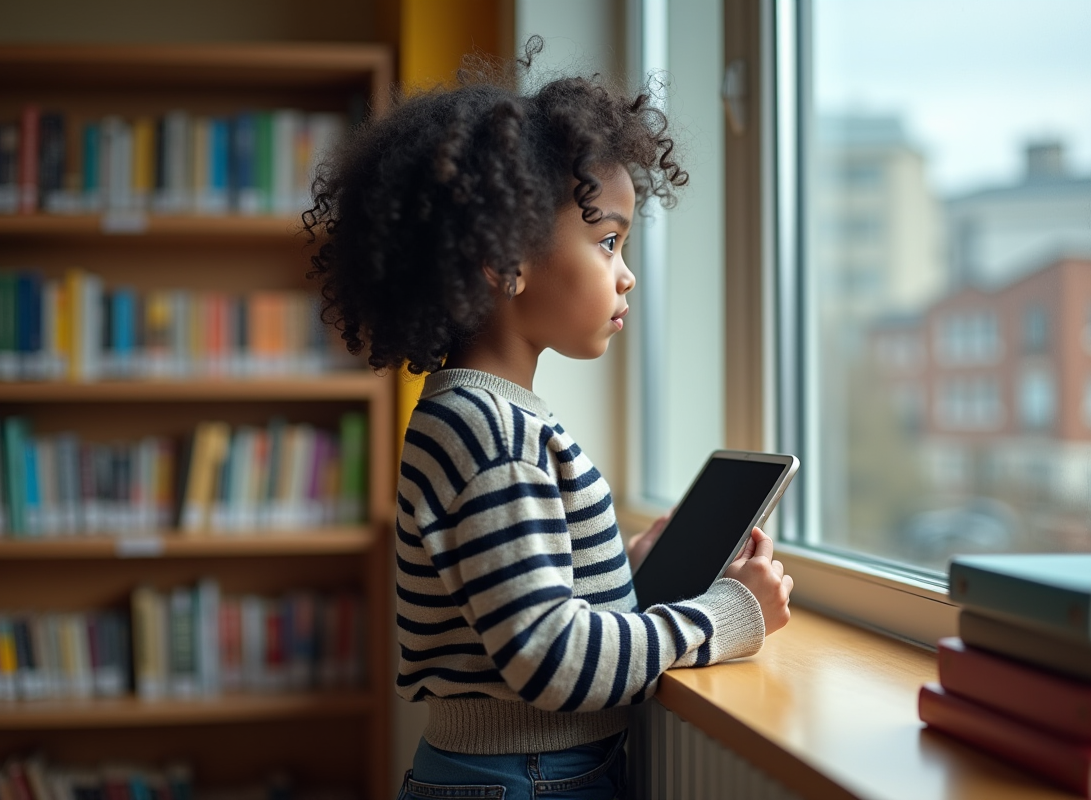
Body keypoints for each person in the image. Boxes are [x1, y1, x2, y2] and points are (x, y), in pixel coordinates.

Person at [304, 38, 794, 800]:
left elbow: (513, 608)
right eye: (607, 242)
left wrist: (621, 570)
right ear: (504, 261)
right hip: (526, 781)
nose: (626, 272)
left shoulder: (482, 415)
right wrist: (723, 616)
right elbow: (551, 660)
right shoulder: (490, 432)